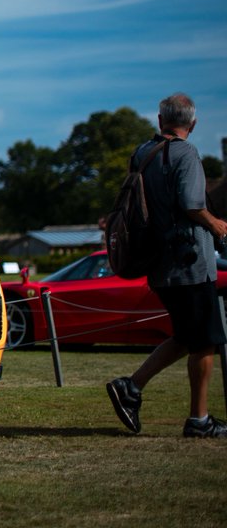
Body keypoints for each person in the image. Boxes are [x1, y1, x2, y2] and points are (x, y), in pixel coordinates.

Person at [106, 93, 227, 438]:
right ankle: (198, 421)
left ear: (160, 122)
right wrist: (216, 224)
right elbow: (191, 204)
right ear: (193, 123)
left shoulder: (144, 153)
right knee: (204, 340)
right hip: (189, 261)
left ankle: (131, 388)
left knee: (188, 336)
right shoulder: (186, 153)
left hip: (158, 262)